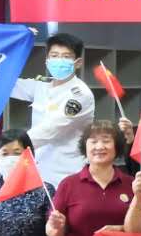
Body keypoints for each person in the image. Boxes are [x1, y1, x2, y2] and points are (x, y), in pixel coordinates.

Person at [8, 32, 97, 188]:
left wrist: (9, 148)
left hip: (66, 172)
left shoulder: (80, 95)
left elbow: (49, 130)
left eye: (66, 56)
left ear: (78, 63)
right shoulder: (43, 85)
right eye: (54, 56)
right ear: (47, 60)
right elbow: (9, 86)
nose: (59, 61)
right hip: (38, 168)